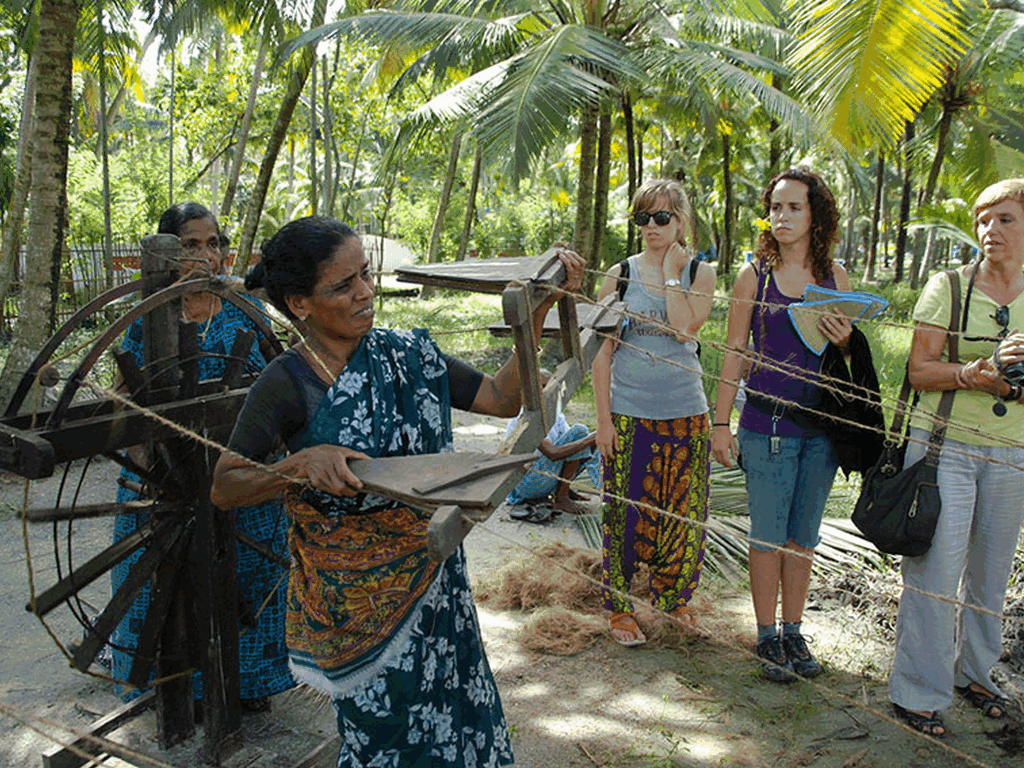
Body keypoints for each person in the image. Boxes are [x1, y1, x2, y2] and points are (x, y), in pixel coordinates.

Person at [209, 216, 585, 766]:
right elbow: (225, 485)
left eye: (365, 275)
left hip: (434, 577)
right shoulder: (288, 383)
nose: (365, 293)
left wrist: (540, 308)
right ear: (300, 304)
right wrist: (300, 465)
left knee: (455, 716)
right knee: (383, 736)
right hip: (354, 608)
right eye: (343, 285)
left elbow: (502, 399)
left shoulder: (408, 355)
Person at [110, 202, 293, 712]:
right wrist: (146, 474)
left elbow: (279, 389)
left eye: (214, 244)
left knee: (249, 577)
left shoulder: (244, 313)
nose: (205, 256)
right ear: (168, 253)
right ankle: (165, 681)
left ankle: (247, 682)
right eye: (191, 245)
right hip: (167, 482)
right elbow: (126, 402)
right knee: (162, 579)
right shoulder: (150, 317)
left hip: (240, 480)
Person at [888, 179, 1024, 737]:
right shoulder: (948, 285)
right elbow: (919, 371)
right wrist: (975, 374)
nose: (991, 230)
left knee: (992, 575)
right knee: (935, 573)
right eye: (983, 220)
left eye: (1006, 219)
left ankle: (977, 675)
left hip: (1013, 454)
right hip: (945, 446)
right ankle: (918, 692)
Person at [711, 167, 851, 682]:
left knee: (803, 539)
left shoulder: (837, 277)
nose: (782, 216)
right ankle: (766, 636)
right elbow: (732, 351)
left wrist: (844, 341)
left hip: (822, 431)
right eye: (775, 206)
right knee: (768, 536)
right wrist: (720, 423)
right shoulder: (755, 275)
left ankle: (795, 631)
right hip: (765, 426)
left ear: (816, 213)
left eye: (795, 206)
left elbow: (847, 361)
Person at [592, 178, 716, 646]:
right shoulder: (619, 273)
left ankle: (672, 598)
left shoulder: (699, 273)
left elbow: (685, 329)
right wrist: (604, 422)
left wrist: (669, 272)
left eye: (662, 218)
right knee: (623, 514)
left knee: (683, 513)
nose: (650, 227)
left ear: (681, 222)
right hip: (629, 411)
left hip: (687, 412)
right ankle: (619, 608)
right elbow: (602, 354)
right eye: (642, 218)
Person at [504, 406, 600, 519]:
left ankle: (564, 490)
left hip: (542, 478)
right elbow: (553, 453)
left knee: (583, 443)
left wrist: (594, 439)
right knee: (580, 432)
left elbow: (572, 445)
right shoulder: (526, 416)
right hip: (525, 485)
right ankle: (561, 498)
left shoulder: (555, 414)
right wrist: (592, 438)